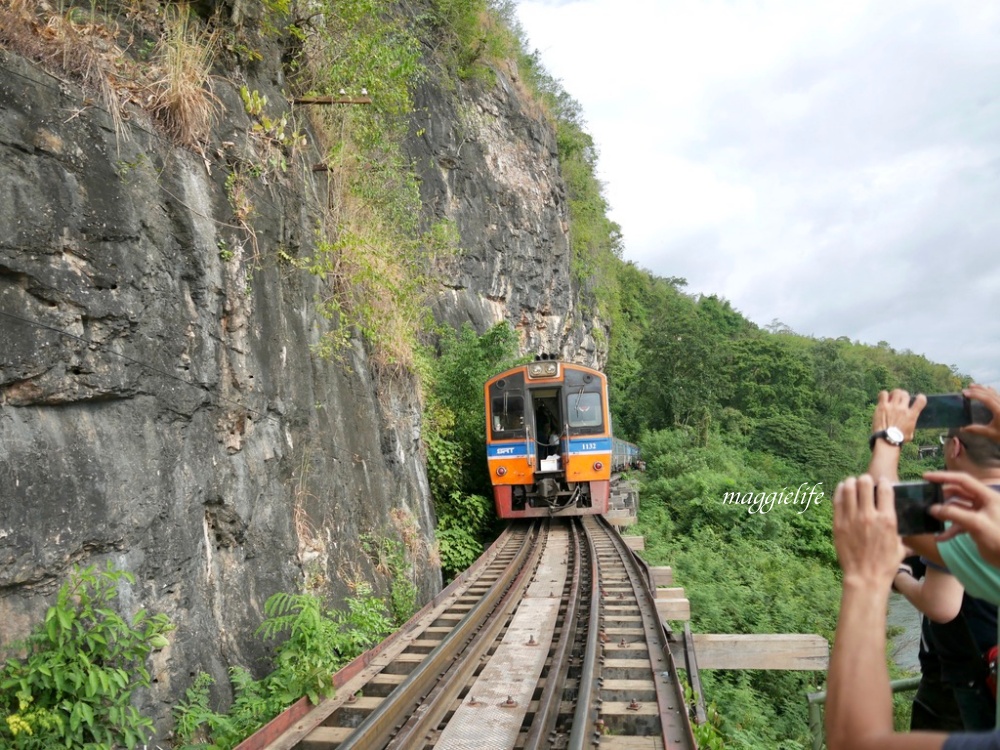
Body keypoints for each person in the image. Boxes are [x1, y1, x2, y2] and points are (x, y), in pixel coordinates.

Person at [868, 389, 998, 730]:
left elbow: (883, 507)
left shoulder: (957, 509)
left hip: (973, 681)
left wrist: (889, 437)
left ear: (955, 448)